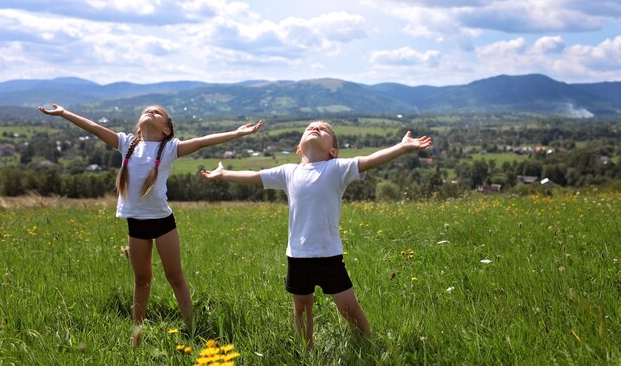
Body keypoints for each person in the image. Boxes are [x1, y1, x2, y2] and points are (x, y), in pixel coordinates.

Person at [38, 103, 263, 347]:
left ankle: (191, 326)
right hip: (136, 225)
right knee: (142, 280)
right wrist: (64, 113)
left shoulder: (169, 148)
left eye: (158, 113)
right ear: (139, 126)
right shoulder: (126, 143)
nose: (150, 112)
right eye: (148, 110)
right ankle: (137, 335)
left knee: (175, 276)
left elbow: (202, 141)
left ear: (166, 130)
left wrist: (238, 133)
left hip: (163, 223)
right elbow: (94, 128)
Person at [201, 121, 432, 349]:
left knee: (348, 308)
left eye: (323, 130)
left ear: (333, 151)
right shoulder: (287, 172)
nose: (315, 129)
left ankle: (367, 345)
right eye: (310, 127)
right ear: (299, 149)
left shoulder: (336, 168)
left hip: (328, 255)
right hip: (297, 256)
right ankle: (306, 352)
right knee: (301, 307)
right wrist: (224, 173)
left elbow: (371, 160)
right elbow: (255, 176)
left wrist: (402, 147)